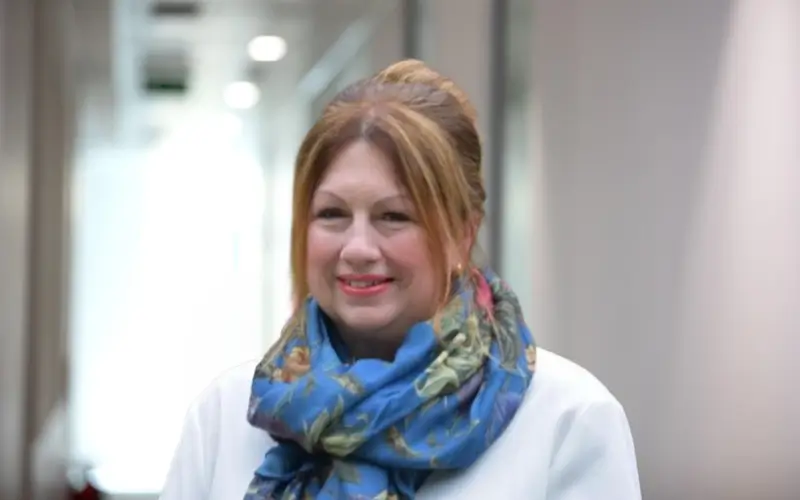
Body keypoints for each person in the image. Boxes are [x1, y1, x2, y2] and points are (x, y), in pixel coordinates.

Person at [159, 59, 641, 500]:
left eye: (394, 216)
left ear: (462, 233)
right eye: (331, 214)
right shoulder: (226, 418)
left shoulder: (565, 420)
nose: (358, 248)